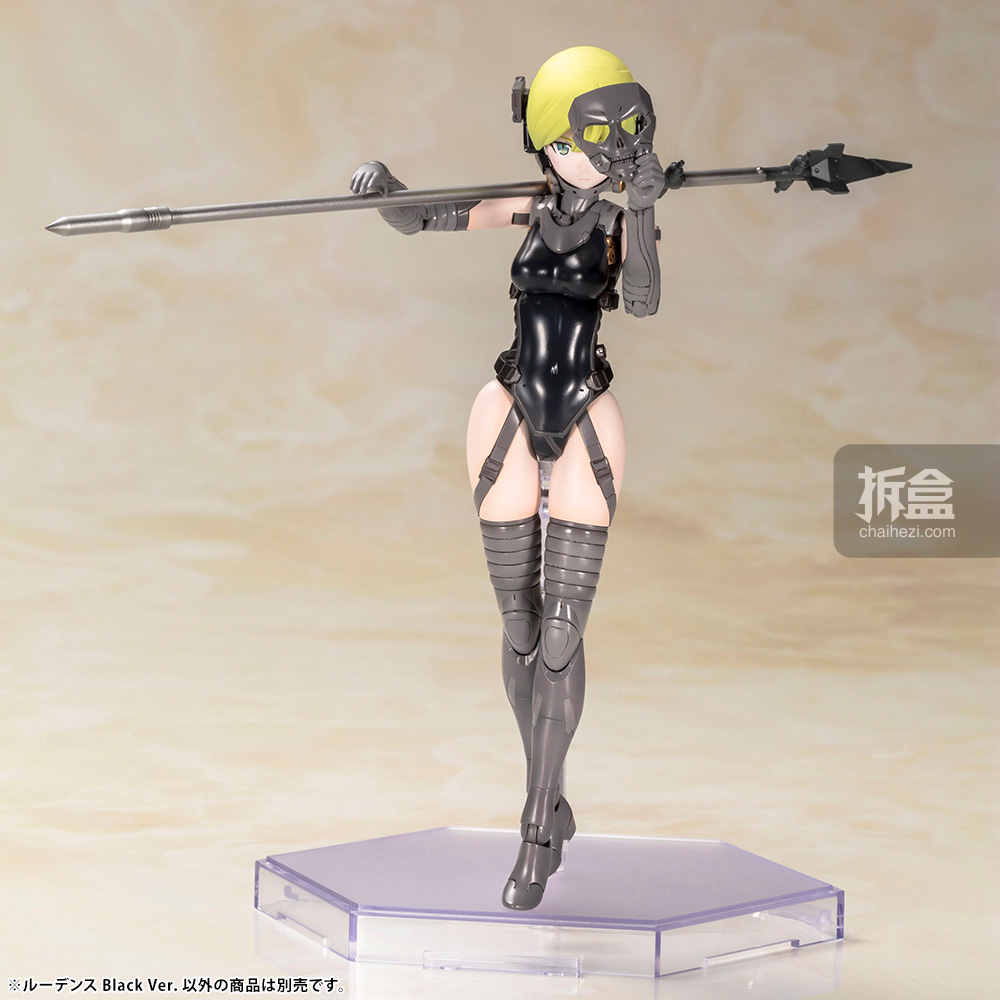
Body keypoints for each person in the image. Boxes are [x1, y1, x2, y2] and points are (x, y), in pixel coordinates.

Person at [351, 45, 663, 910]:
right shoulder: (528, 205)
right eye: (581, 142)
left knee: (563, 632)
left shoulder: (621, 219)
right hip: (507, 407)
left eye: (618, 140)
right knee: (522, 625)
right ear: (549, 141)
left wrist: (642, 206)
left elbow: (641, 298)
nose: (599, 158)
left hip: (588, 410)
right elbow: (426, 219)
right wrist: (386, 193)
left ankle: (535, 822)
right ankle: (551, 797)